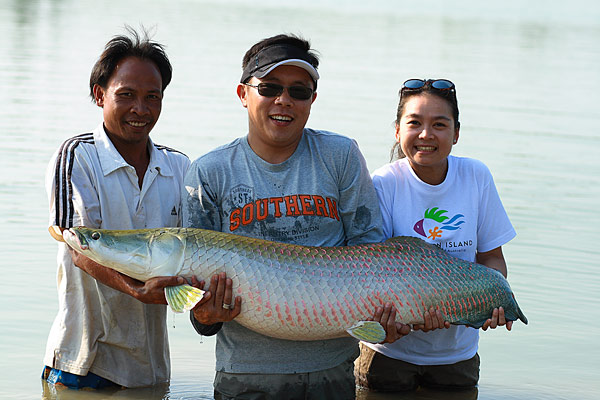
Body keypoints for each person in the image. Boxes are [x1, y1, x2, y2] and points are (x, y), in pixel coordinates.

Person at [182, 34, 406, 399]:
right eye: (269, 87)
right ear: (243, 94)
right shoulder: (210, 172)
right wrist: (206, 314)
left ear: (312, 100)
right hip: (246, 377)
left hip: (332, 373)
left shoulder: (341, 156)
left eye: (299, 91)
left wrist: (385, 319)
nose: (283, 100)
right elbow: (195, 306)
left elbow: (372, 253)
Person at [42, 28, 190, 389]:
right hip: (83, 363)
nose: (140, 109)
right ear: (99, 95)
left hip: (151, 373)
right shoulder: (77, 157)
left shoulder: (180, 167)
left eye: (152, 97)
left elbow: (196, 254)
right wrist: (139, 290)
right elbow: (78, 247)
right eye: (126, 95)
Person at [354, 79, 516, 392]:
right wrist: (402, 320)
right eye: (414, 123)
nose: (426, 135)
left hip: (457, 357)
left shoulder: (475, 176)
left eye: (439, 124)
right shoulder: (384, 183)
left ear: (456, 133)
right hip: (388, 355)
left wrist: (492, 297)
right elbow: (368, 273)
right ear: (398, 131)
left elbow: (492, 258)